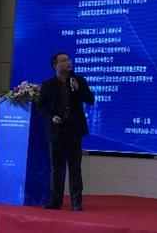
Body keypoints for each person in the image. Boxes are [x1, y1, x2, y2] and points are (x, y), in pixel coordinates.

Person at [36, 52, 94, 211]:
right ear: (55, 65)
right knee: (56, 168)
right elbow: (41, 106)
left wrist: (78, 89)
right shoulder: (48, 85)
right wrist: (51, 116)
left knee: (75, 167)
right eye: (64, 60)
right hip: (56, 131)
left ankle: (76, 201)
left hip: (74, 130)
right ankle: (55, 201)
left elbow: (90, 100)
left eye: (69, 60)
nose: (68, 62)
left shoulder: (79, 81)